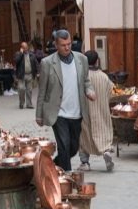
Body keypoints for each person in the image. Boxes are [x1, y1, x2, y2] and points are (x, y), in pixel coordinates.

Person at [36, 30, 96, 171]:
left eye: (69, 44)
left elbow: (86, 81)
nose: (67, 47)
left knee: (73, 148)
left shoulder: (82, 59)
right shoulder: (47, 63)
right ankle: (67, 178)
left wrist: (90, 91)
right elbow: (42, 90)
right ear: (56, 45)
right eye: (63, 45)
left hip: (77, 112)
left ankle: (51, 167)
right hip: (58, 113)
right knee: (64, 144)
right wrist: (39, 114)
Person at [78, 51, 115, 172]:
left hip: (86, 111)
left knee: (84, 136)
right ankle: (106, 151)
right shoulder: (104, 77)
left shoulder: (82, 77)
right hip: (102, 110)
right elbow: (111, 92)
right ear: (97, 61)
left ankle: (85, 162)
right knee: (103, 132)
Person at [14, 42, 39, 109]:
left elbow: (36, 63)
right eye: (23, 47)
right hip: (21, 75)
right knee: (21, 89)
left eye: (26, 47)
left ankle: (29, 104)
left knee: (29, 90)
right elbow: (16, 61)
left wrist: (38, 72)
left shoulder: (31, 55)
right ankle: (21, 103)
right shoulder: (18, 54)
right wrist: (21, 53)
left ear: (27, 47)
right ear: (21, 48)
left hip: (30, 74)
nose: (25, 49)